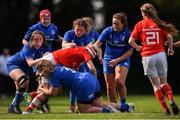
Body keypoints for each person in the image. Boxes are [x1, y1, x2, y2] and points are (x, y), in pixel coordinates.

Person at [22, 60, 134, 114]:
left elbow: (54, 93)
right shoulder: (58, 67)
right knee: (97, 104)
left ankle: (107, 111)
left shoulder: (53, 75)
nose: (40, 74)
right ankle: (126, 107)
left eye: (40, 71)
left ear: (44, 69)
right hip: (90, 78)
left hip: (83, 84)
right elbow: (58, 90)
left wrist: (41, 89)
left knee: (84, 110)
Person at [128, 3, 179, 115]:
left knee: (156, 85)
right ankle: (171, 100)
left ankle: (166, 110)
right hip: (160, 54)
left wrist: (138, 47)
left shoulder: (140, 24)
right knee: (164, 82)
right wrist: (170, 48)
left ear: (143, 13)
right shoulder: (159, 22)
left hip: (147, 56)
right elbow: (169, 36)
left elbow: (130, 41)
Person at [94, 12, 133, 111]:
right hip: (108, 59)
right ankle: (115, 107)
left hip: (122, 59)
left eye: (117, 23)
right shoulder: (108, 31)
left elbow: (130, 52)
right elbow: (97, 44)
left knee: (119, 81)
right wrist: (94, 49)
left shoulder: (128, 33)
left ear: (123, 24)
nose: (114, 25)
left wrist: (117, 60)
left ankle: (124, 105)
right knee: (110, 86)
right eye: (113, 23)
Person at [7, 30, 49, 114]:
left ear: (43, 40)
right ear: (32, 40)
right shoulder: (28, 47)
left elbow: (38, 64)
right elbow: (30, 63)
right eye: (35, 40)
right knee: (24, 81)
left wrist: (40, 74)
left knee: (23, 94)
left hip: (24, 69)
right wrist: (44, 58)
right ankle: (15, 106)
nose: (38, 42)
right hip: (14, 64)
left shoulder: (44, 48)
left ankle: (19, 107)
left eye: (40, 39)